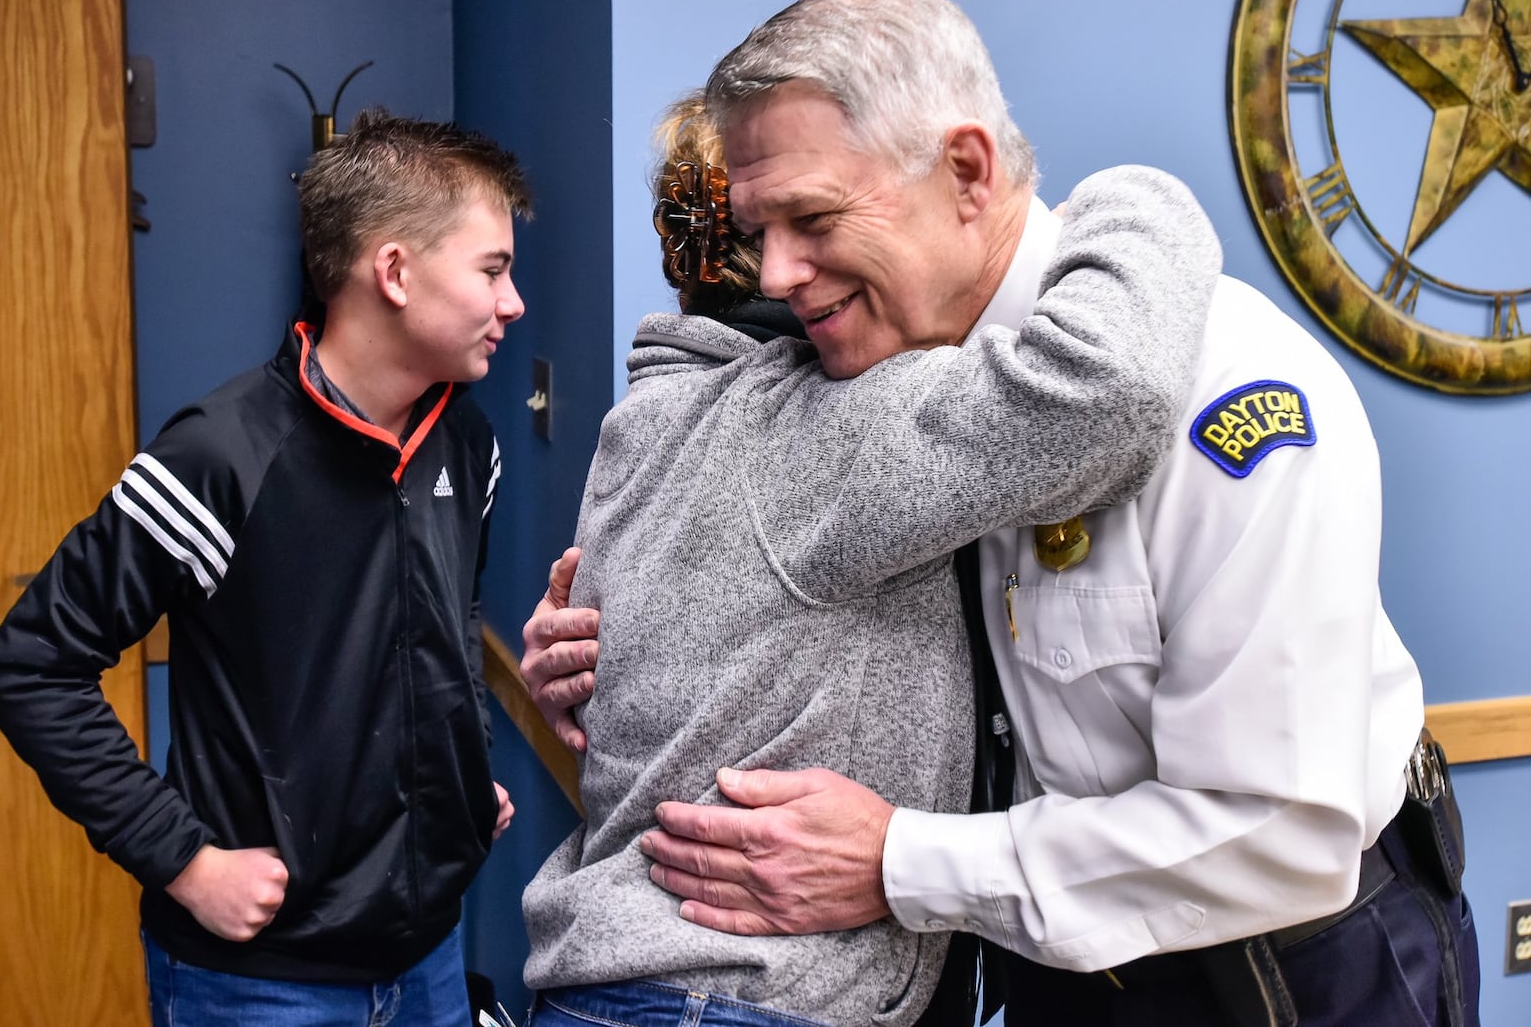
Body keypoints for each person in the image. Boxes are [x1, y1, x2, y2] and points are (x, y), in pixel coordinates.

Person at [522, 0, 1480, 1027]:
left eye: (813, 218)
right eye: (760, 230)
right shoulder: (873, 384)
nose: (779, 272)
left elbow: (1278, 834)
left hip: (1276, 970)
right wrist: (617, 642)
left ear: (967, 172)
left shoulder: (1218, 388)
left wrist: (902, 862)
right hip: (1040, 965)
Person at [517, 80, 1221, 1026]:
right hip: (750, 1000)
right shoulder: (832, 425)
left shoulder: (643, 420)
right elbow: (1110, 385)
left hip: (618, 980)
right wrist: (1139, 196)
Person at [0, 108, 527, 1026]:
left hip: (429, 956)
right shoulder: (220, 457)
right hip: (261, 985)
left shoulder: (467, 446)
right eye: (493, 270)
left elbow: (439, 632)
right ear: (393, 271)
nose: (512, 303)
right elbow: (31, 666)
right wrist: (184, 862)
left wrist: (457, 771)